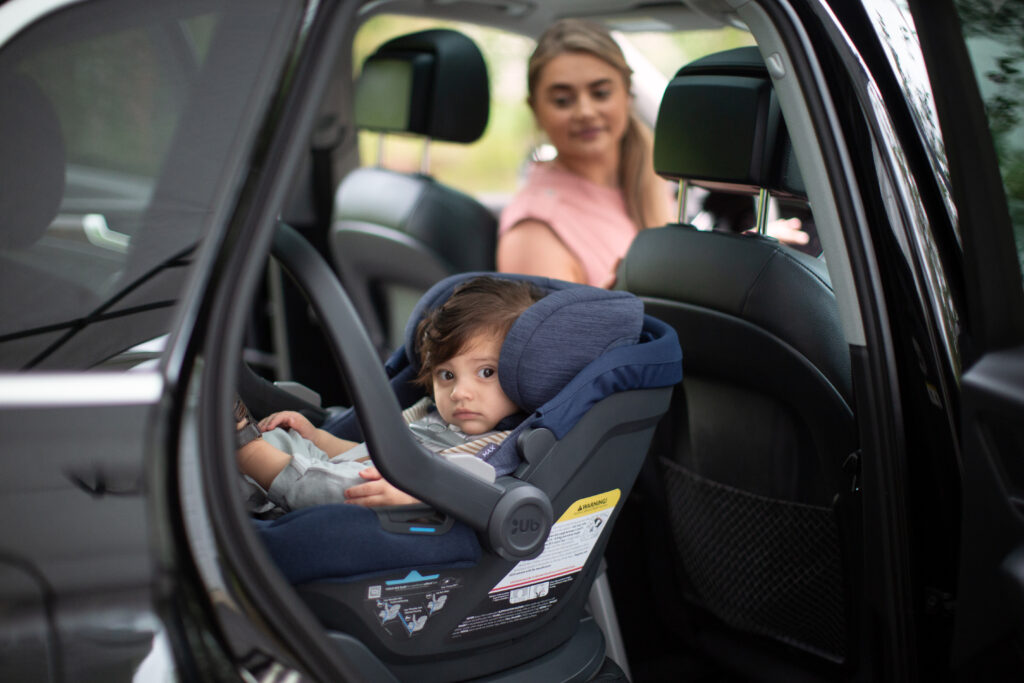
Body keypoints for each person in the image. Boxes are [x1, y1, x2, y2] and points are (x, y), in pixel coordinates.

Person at [236, 276, 543, 514]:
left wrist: (417, 495)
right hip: (353, 470)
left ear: (525, 373)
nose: (460, 393)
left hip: (380, 501)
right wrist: (318, 439)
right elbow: (370, 452)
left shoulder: (504, 447)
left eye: (486, 373)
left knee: (359, 486)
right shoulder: (425, 413)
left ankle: (250, 454)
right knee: (280, 440)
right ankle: (234, 471)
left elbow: (473, 491)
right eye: (446, 375)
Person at [497, 18, 673, 288]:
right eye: (563, 101)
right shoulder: (534, 230)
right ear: (536, 110)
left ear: (627, 94)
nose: (585, 112)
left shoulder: (652, 181)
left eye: (601, 93)